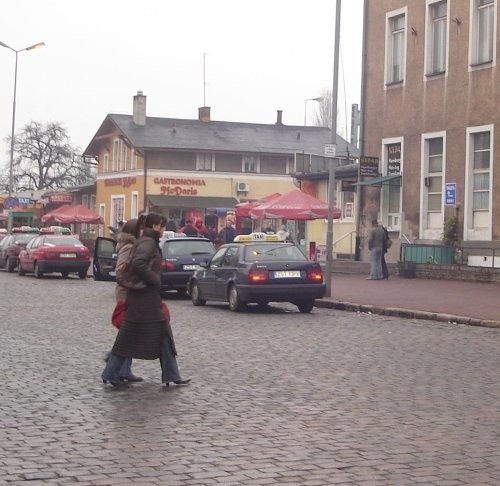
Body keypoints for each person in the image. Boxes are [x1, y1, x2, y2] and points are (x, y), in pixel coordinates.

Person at [102, 212, 191, 387]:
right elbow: (138, 264)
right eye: (163, 226)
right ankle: (111, 373)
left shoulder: (146, 241)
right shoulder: (148, 243)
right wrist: (155, 279)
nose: (164, 230)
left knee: (160, 336)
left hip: (144, 299)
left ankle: (172, 375)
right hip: (143, 300)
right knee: (129, 338)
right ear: (156, 226)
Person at [109, 218, 143, 382]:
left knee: (130, 333)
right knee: (128, 332)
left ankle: (124, 369)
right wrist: (134, 283)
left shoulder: (133, 246)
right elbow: (120, 271)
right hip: (126, 294)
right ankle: (115, 360)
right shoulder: (129, 247)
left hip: (129, 293)